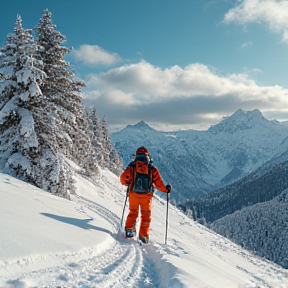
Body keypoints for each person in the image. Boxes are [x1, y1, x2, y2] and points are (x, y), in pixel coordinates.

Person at [120, 146, 171, 244]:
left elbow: (123, 179)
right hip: (146, 196)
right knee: (146, 215)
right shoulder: (151, 168)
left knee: (133, 212)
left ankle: (130, 230)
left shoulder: (133, 166)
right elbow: (158, 183)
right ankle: (143, 236)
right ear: (147, 155)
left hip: (134, 194)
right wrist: (166, 189)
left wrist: (127, 182)